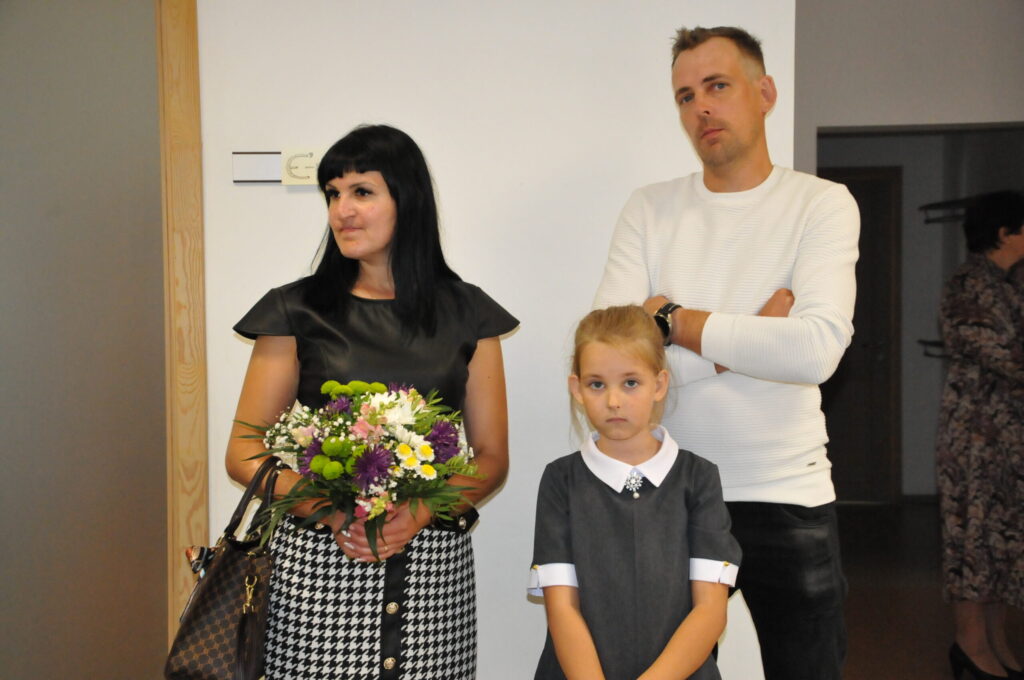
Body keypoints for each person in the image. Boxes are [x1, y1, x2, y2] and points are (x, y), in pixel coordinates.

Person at [592, 26, 859, 680]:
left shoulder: (820, 205)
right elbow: (611, 363)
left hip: (787, 491)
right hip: (668, 492)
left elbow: (815, 351)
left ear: (764, 93)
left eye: (717, 86)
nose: (701, 108)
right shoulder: (650, 209)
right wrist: (743, 342)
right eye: (686, 96)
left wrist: (671, 321)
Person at [225, 124, 518, 679]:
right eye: (333, 194)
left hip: (432, 571)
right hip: (317, 571)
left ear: (407, 200)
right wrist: (329, 507)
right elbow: (243, 453)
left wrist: (420, 513)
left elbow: (492, 457)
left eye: (362, 191)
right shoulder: (295, 310)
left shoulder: (469, 313)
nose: (342, 211)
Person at [529, 305, 741, 680]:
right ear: (576, 389)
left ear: (659, 384)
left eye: (630, 383)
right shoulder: (561, 481)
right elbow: (562, 608)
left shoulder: (699, 479)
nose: (613, 401)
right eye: (597, 384)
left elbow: (710, 610)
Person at [937, 191, 1024, 680]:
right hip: (976, 437)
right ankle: (970, 646)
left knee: (1002, 542)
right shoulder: (969, 283)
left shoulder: (1011, 282)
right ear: (1005, 233)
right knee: (973, 539)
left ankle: (996, 642)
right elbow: (1006, 355)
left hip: (1009, 438)